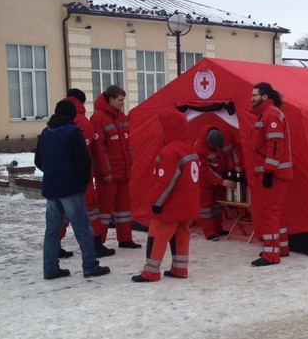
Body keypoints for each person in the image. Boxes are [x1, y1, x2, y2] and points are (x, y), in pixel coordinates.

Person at [34, 99, 111, 280]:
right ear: (72, 115)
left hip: (51, 189)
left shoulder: (45, 132)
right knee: (83, 229)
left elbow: (38, 161)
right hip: (71, 188)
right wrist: (82, 181)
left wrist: (52, 173)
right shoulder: (73, 132)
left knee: (52, 230)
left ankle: (50, 268)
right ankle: (90, 266)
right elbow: (84, 161)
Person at [132, 109, 200, 282]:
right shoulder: (188, 148)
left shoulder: (170, 151)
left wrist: (157, 202)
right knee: (181, 236)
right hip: (186, 204)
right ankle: (180, 269)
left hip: (170, 204)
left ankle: (151, 271)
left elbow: (165, 181)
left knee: (157, 236)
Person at [57, 88, 116, 258]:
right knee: (91, 211)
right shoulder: (84, 123)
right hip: (82, 177)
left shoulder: (57, 121)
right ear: (82, 102)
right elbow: (95, 151)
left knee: (62, 212)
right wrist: (104, 172)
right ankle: (95, 245)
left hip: (60, 177)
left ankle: (54, 246)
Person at [91, 85, 142, 251]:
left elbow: (126, 144)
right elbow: (98, 149)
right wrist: (105, 172)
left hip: (123, 170)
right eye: (120, 100)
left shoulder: (121, 117)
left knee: (124, 209)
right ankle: (98, 241)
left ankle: (125, 239)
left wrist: (129, 164)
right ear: (110, 99)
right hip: (109, 174)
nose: (122, 103)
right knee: (104, 209)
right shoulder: (98, 118)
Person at [249, 82, 293, 267]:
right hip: (275, 173)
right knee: (276, 211)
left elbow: (275, 145)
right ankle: (281, 247)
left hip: (273, 175)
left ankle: (271, 254)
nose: (252, 99)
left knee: (269, 213)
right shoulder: (268, 114)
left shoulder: (271, 115)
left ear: (265, 96)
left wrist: (269, 170)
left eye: (255, 95)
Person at [195, 124, 241, 241]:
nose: (218, 148)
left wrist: (237, 165)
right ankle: (209, 232)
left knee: (218, 206)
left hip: (221, 176)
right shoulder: (199, 148)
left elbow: (235, 150)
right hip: (206, 182)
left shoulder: (228, 136)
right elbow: (205, 170)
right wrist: (221, 181)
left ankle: (218, 229)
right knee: (206, 208)